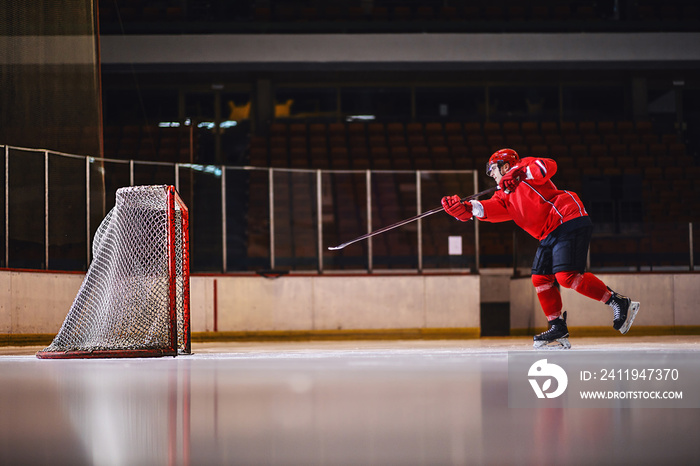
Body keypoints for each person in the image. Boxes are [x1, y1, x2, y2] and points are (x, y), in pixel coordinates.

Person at [441, 148, 640, 349]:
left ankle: (618, 302)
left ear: (506, 166)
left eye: (493, 169)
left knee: (566, 276)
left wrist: (521, 174)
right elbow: (488, 209)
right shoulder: (504, 194)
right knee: (540, 278)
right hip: (549, 233)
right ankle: (557, 327)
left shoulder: (524, 166)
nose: (491, 174)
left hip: (566, 217)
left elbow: (548, 166)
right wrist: (464, 209)